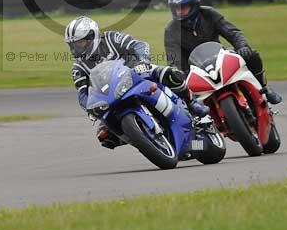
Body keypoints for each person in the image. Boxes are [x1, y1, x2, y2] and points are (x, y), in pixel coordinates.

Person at [64, 15, 210, 149]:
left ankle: (191, 104)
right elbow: (83, 94)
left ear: (92, 37)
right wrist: (89, 108)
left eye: (80, 43)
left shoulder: (111, 38)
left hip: (136, 72)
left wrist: (142, 61)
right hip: (111, 96)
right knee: (104, 136)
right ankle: (148, 141)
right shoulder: (78, 67)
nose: (76, 48)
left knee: (171, 74)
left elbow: (139, 45)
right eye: (73, 44)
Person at [163, 0, 283, 105]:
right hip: (193, 71)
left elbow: (233, 32)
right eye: (176, 8)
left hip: (219, 58)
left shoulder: (209, 14)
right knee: (175, 86)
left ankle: (264, 89)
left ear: (194, 5)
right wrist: (178, 74)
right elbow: (173, 59)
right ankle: (197, 116)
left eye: (183, 7)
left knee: (252, 55)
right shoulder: (171, 30)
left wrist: (242, 46)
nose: (179, 11)